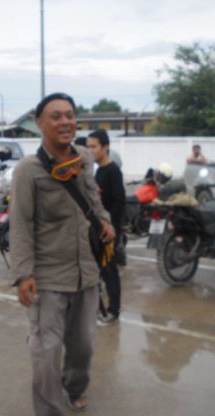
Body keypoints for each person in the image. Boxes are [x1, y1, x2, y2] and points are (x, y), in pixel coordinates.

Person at [10, 93, 115, 416]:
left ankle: (75, 387)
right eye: (56, 116)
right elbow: (20, 224)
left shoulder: (84, 158)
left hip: (86, 271)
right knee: (46, 353)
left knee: (84, 345)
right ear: (40, 123)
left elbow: (93, 200)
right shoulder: (28, 170)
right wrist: (23, 274)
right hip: (47, 276)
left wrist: (105, 220)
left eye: (70, 115)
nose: (65, 122)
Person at [87, 129, 125, 327]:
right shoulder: (98, 171)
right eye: (88, 147)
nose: (90, 150)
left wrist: (112, 228)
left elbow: (119, 201)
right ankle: (98, 308)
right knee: (98, 271)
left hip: (109, 232)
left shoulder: (113, 171)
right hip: (97, 230)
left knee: (110, 272)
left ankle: (113, 311)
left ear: (105, 148)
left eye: (94, 146)